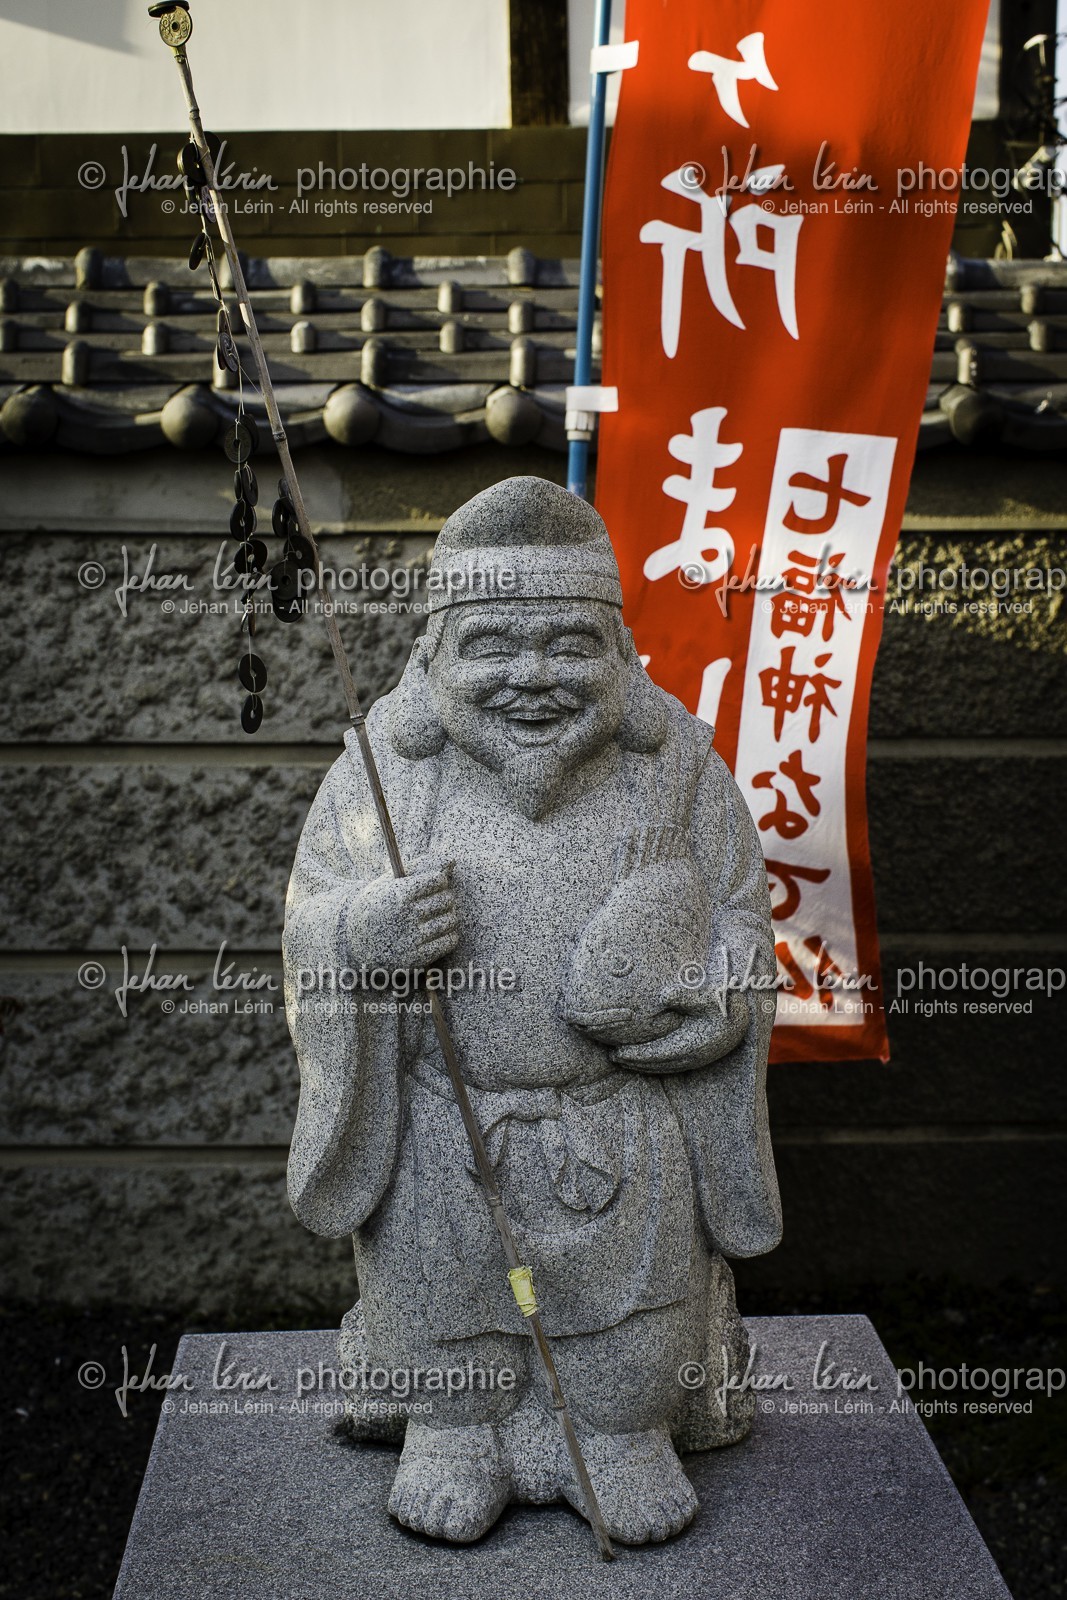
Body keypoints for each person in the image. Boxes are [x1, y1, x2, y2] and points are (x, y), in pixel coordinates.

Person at [283, 476, 781, 1545]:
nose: (533, 676)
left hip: (616, 1125)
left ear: (622, 659)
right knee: (444, 1306)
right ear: (431, 664)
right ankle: (454, 1430)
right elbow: (309, 916)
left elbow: (742, 916)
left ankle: (614, 1431)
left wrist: (719, 1001)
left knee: (627, 1337)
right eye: (493, 647)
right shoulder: (380, 779)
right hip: (439, 1125)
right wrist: (362, 936)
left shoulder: (681, 775)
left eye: (569, 645)